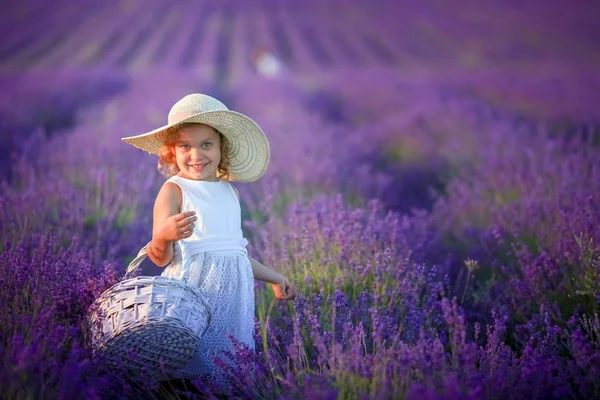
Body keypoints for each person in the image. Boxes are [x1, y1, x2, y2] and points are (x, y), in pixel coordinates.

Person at [121, 93, 295, 385]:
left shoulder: (230, 192)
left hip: (231, 300)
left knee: (227, 370)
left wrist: (274, 277)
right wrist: (164, 235)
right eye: (185, 146)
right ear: (171, 152)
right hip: (192, 297)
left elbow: (233, 253)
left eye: (206, 145)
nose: (196, 155)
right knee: (188, 368)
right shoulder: (173, 190)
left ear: (221, 148)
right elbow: (160, 257)